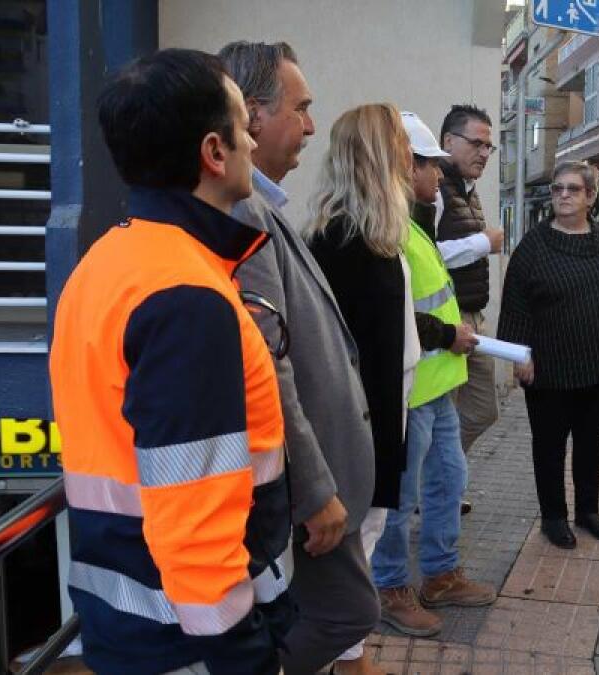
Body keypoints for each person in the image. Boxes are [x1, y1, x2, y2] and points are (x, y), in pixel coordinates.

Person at [50, 48, 293, 674]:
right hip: (187, 643)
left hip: (129, 620)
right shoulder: (185, 295)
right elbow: (196, 517)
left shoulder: (105, 264)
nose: (252, 139)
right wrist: (245, 658)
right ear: (214, 152)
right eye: (244, 126)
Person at [220, 41, 380, 675]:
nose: (312, 126)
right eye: (302, 108)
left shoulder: (264, 208)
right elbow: (267, 360)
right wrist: (314, 489)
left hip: (318, 477)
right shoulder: (241, 214)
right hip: (302, 484)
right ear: (252, 117)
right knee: (344, 612)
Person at [305, 104, 479, 640]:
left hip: (409, 392)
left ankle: (362, 642)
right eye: (408, 153)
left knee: (427, 490)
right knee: (378, 518)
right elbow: (343, 346)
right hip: (379, 409)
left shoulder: (386, 232)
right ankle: (378, 605)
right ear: (382, 158)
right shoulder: (343, 239)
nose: (421, 166)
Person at [362, 110, 497, 636]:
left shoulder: (413, 223)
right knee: (401, 497)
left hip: (437, 385)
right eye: (431, 167)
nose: (440, 177)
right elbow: (391, 312)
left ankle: (439, 575)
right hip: (411, 388)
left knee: (448, 480)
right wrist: (449, 335)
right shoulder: (386, 229)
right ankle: (391, 587)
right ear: (405, 165)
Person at [498, 162, 599, 548]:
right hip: (550, 366)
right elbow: (515, 305)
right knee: (550, 443)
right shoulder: (535, 245)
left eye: (573, 189)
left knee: (592, 439)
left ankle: (588, 510)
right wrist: (519, 355)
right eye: (558, 188)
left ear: (591, 197)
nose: (563, 195)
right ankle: (554, 516)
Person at [437, 104, 502, 471]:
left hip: (474, 317)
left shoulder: (468, 189)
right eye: (476, 143)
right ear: (449, 140)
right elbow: (423, 254)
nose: (483, 153)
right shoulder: (434, 189)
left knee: (482, 410)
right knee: (442, 416)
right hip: (447, 321)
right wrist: (482, 243)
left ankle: (443, 477)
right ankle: (440, 487)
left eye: (488, 147)